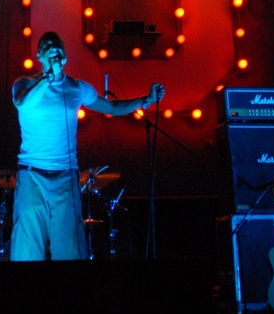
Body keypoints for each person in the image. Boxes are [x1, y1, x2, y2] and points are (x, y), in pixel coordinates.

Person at [10, 31, 164, 261]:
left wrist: (147, 99)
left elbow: (112, 107)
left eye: (58, 44)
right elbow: (23, 104)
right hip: (33, 176)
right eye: (47, 45)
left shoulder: (77, 88)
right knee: (27, 251)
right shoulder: (24, 83)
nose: (53, 47)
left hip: (66, 178)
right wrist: (48, 78)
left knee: (69, 251)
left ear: (65, 55)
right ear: (39, 55)